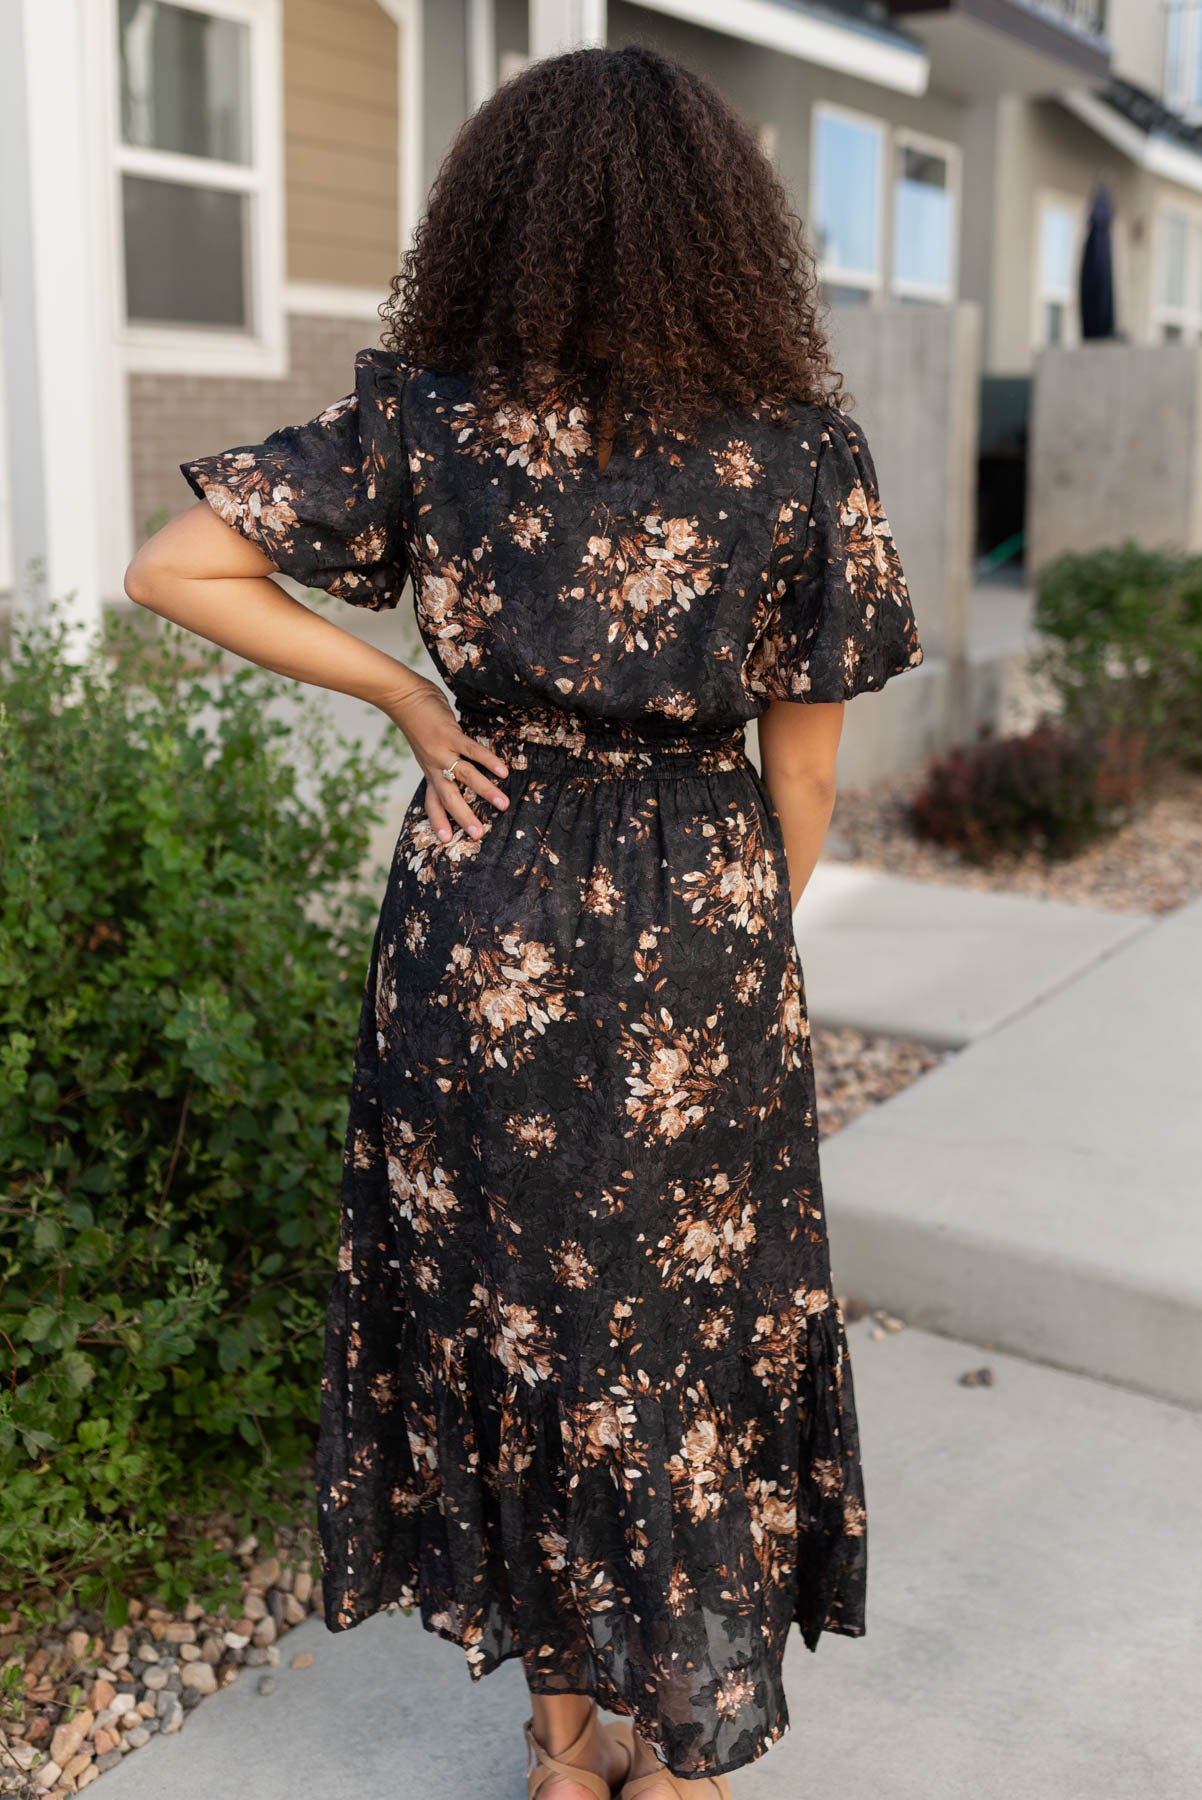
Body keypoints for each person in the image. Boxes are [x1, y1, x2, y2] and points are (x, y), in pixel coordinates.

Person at [125, 42, 923, 1800]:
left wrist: (414, 701)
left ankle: (563, 1758)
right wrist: (728, 951)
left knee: (511, 1313)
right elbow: (805, 786)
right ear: (729, 231)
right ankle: (688, 1761)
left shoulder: (428, 417)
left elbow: (175, 565)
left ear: (494, 220)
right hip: (699, 921)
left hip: (479, 906)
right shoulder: (799, 455)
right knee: (683, 1330)